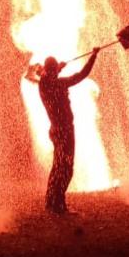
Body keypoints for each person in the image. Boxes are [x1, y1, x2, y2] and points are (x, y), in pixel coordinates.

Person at [25, 47, 100, 214]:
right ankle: (59, 205)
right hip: (65, 131)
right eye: (55, 69)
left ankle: (51, 202)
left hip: (55, 130)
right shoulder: (58, 84)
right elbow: (81, 75)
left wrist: (59, 67)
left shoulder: (44, 84)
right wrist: (93, 56)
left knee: (57, 166)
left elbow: (44, 72)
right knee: (66, 168)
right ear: (52, 71)